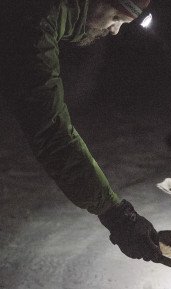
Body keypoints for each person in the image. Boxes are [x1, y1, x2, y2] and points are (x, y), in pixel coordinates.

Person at [0, 0, 162, 263]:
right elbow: (51, 132)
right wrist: (117, 215)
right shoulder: (36, 20)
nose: (115, 30)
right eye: (116, 18)